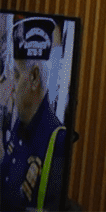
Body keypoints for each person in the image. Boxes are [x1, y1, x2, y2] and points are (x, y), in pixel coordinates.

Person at [0, 18, 65, 211]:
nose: (11, 86)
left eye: (17, 76)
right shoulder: (20, 124)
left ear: (35, 78)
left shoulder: (57, 140)